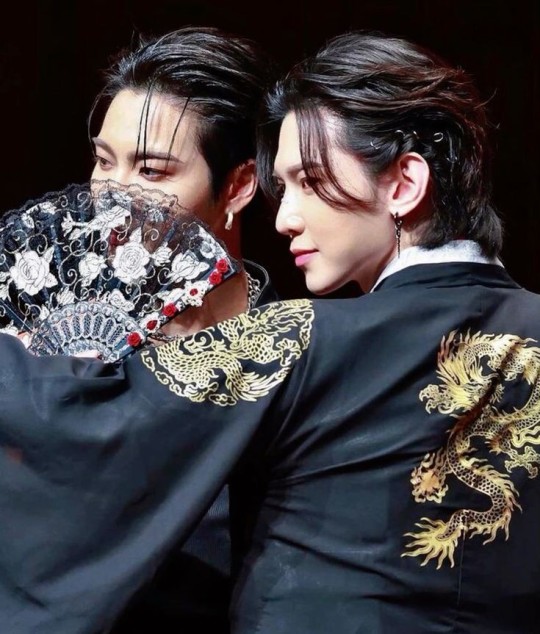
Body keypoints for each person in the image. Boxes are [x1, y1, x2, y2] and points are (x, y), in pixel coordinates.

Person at [0, 30, 539, 634]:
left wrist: (18, 366)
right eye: (284, 188)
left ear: (403, 184)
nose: (284, 218)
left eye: (310, 181)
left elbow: (90, 415)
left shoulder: (301, 338)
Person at [87, 27, 278, 633]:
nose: (113, 194)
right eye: (103, 161)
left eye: (151, 169)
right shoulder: (66, 340)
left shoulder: (295, 353)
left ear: (237, 186)